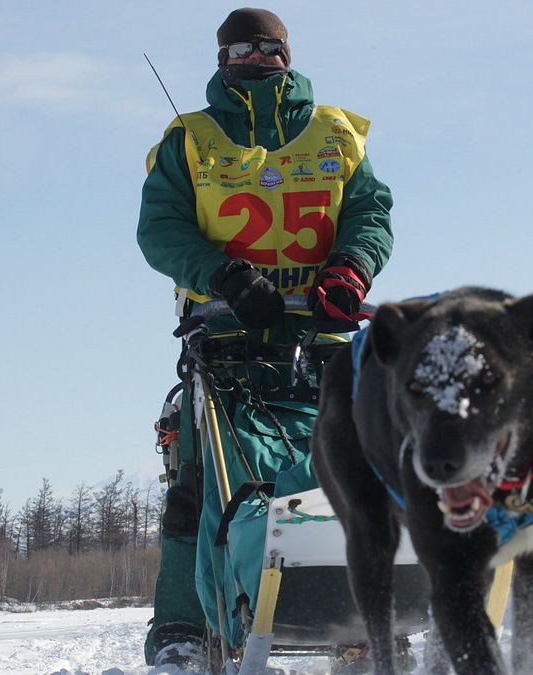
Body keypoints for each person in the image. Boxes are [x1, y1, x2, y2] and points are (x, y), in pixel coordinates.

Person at [137, 8, 393, 670]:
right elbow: (161, 230)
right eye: (237, 50)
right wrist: (220, 273)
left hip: (324, 341)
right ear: (221, 59)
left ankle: (362, 610)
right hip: (225, 343)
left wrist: (352, 267)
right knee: (201, 484)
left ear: (285, 53)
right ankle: (183, 628)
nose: (251, 59)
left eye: (264, 47)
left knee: (346, 471)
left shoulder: (337, 134)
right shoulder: (189, 140)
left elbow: (369, 212)